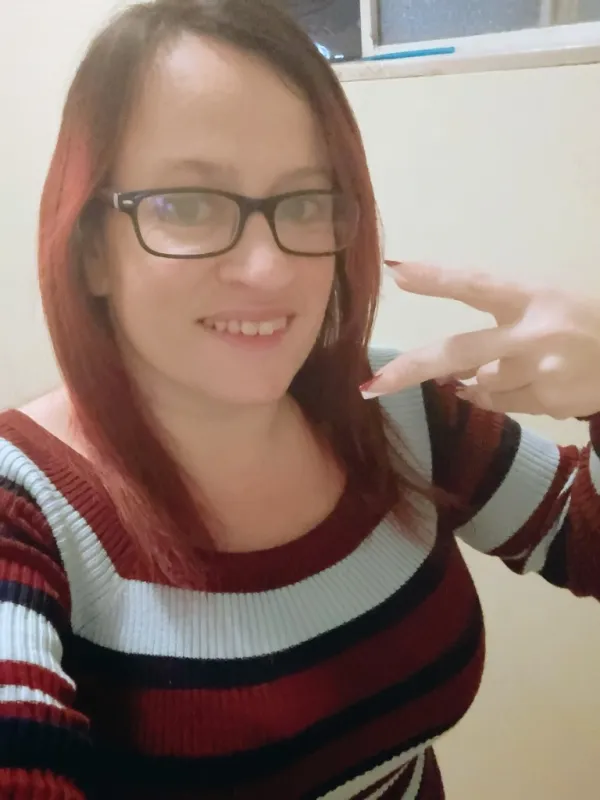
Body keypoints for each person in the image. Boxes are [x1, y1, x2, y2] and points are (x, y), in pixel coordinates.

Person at [0, 1, 599, 798]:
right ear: (91, 250)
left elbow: (582, 539)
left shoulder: (395, 406)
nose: (268, 270)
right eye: (189, 203)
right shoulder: (22, 513)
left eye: (307, 202)